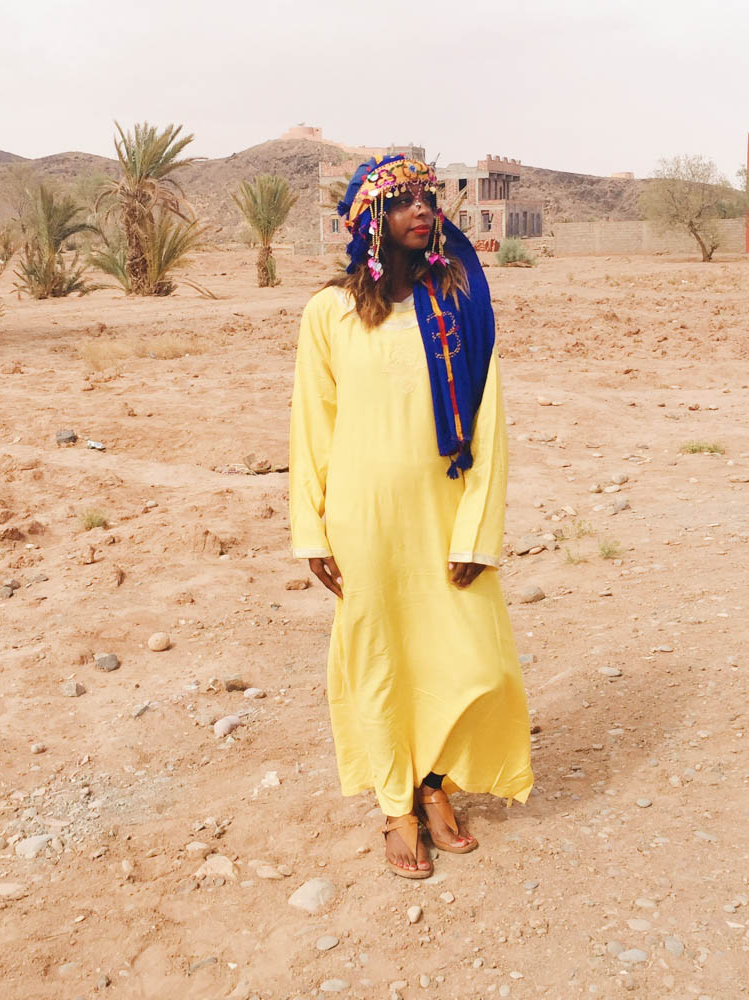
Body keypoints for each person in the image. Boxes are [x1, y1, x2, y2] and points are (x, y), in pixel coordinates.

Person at [289, 154, 533, 879]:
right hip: (363, 516)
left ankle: (436, 783)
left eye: (425, 198)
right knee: (381, 660)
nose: (419, 211)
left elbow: (488, 422)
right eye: (399, 202)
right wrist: (312, 527)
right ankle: (398, 803)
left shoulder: (459, 301)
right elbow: (312, 424)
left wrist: (479, 531)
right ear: (370, 221)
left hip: (444, 506)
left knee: (475, 660)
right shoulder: (328, 310)